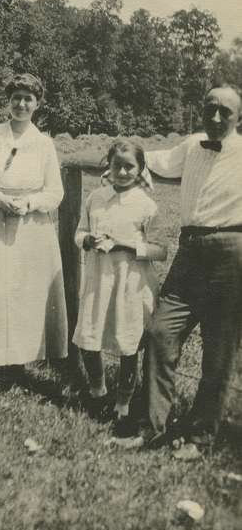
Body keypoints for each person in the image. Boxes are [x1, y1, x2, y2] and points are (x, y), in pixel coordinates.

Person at [141, 83, 242, 447]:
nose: (215, 117)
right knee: (159, 333)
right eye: (209, 108)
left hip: (231, 252)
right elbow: (151, 160)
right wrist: (119, 156)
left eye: (225, 112)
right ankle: (151, 427)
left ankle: (200, 435)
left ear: (238, 117)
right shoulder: (191, 144)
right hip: (190, 251)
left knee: (218, 349)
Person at [0, 72, 68, 371]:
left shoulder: (43, 143)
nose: (21, 104)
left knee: (27, 291)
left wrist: (29, 203)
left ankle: (22, 361)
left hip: (31, 225)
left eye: (28, 99)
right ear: (8, 101)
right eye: (16, 98)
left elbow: (55, 192)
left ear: (37, 104)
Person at [73, 139, 167, 430]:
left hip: (131, 282)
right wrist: (87, 240)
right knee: (90, 337)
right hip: (98, 278)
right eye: (118, 166)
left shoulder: (146, 205)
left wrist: (126, 246)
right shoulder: (96, 198)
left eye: (130, 167)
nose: (123, 172)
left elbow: (160, 250)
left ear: (140, 170)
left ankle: (122, 403)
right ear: (108, 166)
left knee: (128, 344)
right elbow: (80, 232)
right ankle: (97, 390)